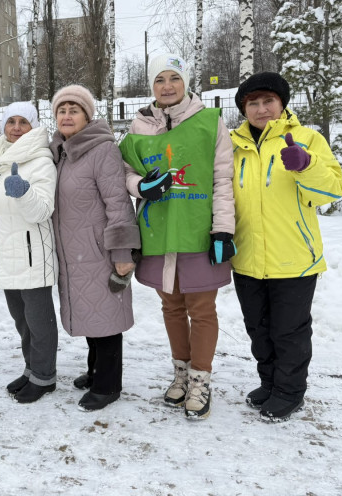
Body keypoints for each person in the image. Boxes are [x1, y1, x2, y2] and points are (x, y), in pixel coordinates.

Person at [119, 53, 235, 420]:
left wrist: (223, 229)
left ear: (185, 82)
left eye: (174, 78)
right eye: (159, 80)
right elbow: (122, 171)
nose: (167, 86)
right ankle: (181, 373)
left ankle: (201, 378)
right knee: (171, 307)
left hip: (198, 229)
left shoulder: (208, 122)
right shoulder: (139, 126)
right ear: (150, 86)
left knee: (201, 309)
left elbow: (222, 179)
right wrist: (140, 186)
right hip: (157, 231)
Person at [231, 71, 342, 421]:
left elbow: (331, 191)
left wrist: (306, 166)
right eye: (253, 103)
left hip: (294, 257)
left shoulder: (307, 139)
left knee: (289, 332)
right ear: (244, 109)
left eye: (268, 101)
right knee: (258, 328)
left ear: (282, 104)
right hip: (247, 257)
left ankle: (290, 391)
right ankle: (269, 382)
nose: (261, 109)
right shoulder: (234, 147)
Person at [50, 85, 140, 412]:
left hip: (99, 252)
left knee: (106, 321)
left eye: (74, 110)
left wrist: (122, 254)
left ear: (88, 116)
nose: (67, 115)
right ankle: (95, 371)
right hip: (72, 254)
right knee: (92, 315)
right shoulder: (60, 151)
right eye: (62, 110)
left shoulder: (102, 150)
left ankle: (108, 385)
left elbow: (118, 203)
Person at [0, 101, 58, 404]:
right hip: (5, 254)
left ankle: (45, 376)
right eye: (10, 122)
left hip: (31, 255)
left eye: (23, 122)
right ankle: (31, 369)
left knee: (39, 322)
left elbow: (43, 210)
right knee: (22, 320)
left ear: (33, 126)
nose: (16, 128)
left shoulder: (40, 160)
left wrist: (24, 192)